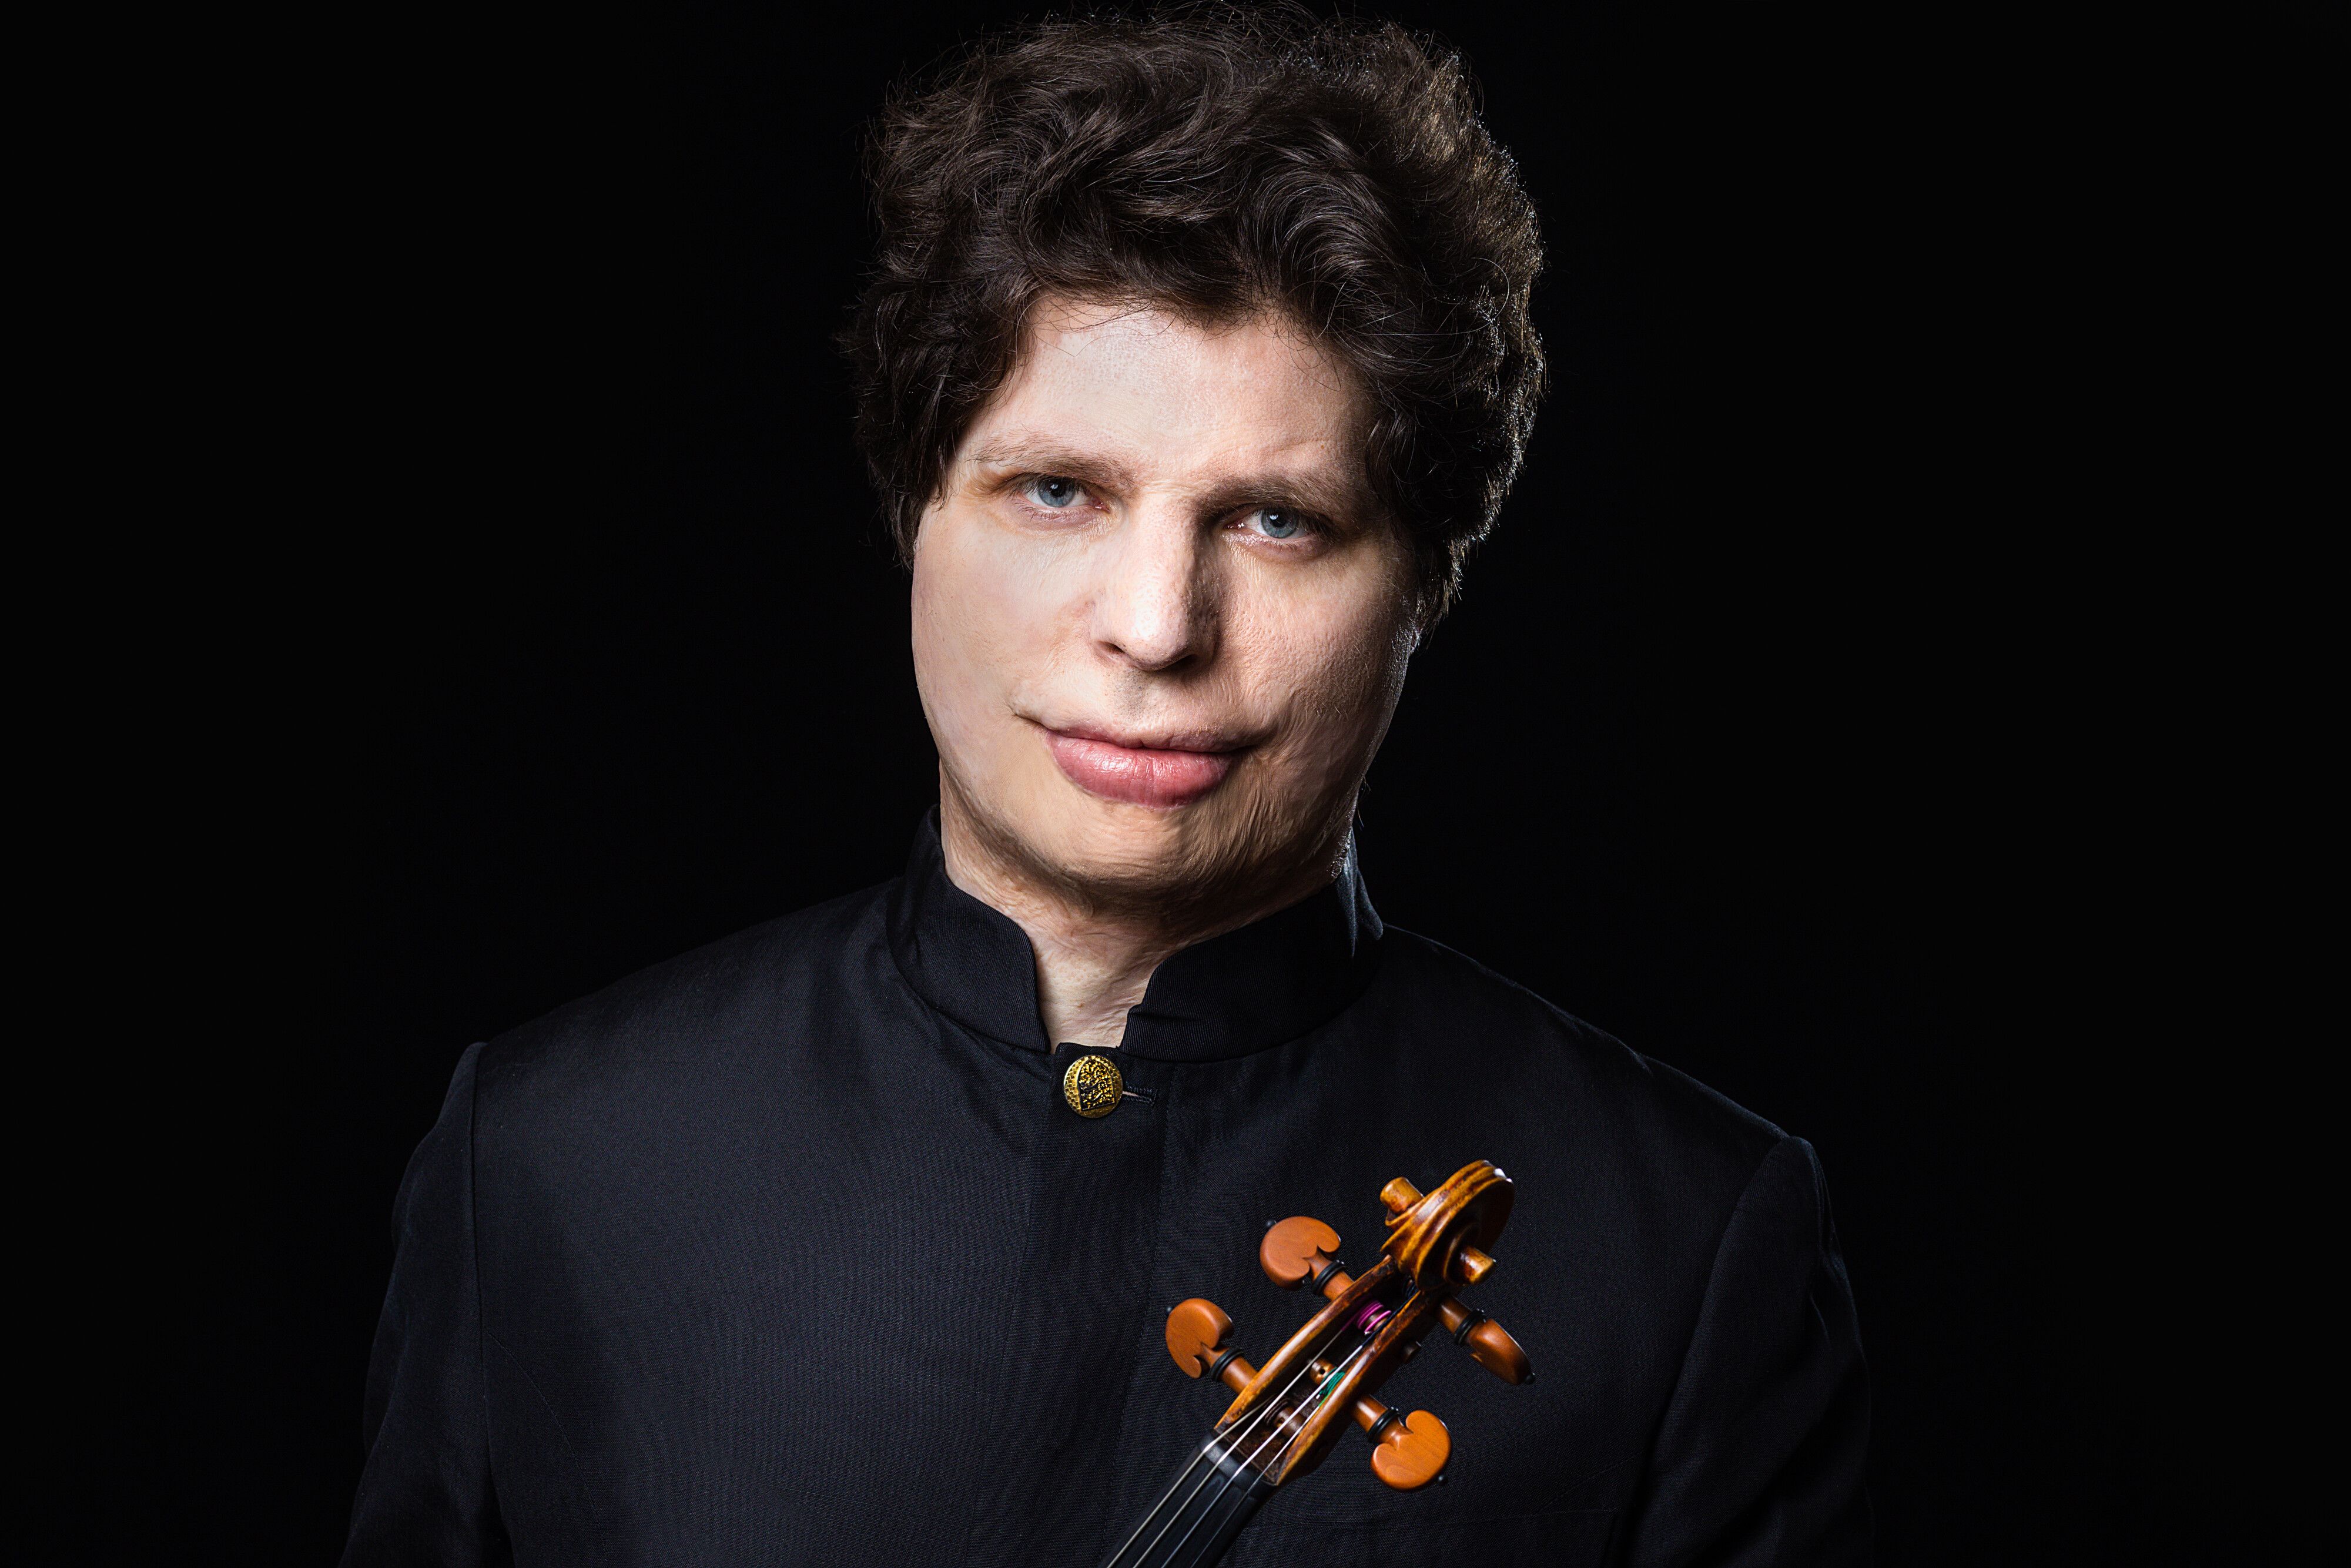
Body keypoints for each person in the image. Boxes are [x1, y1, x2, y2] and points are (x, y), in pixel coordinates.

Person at [344, 9, 1870, 1565]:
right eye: (1059, 491)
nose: (1156, 626)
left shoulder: (1689, 1245)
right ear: (915, 514)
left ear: (1425, 582)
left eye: (1276, 520)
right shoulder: (547, 1159)